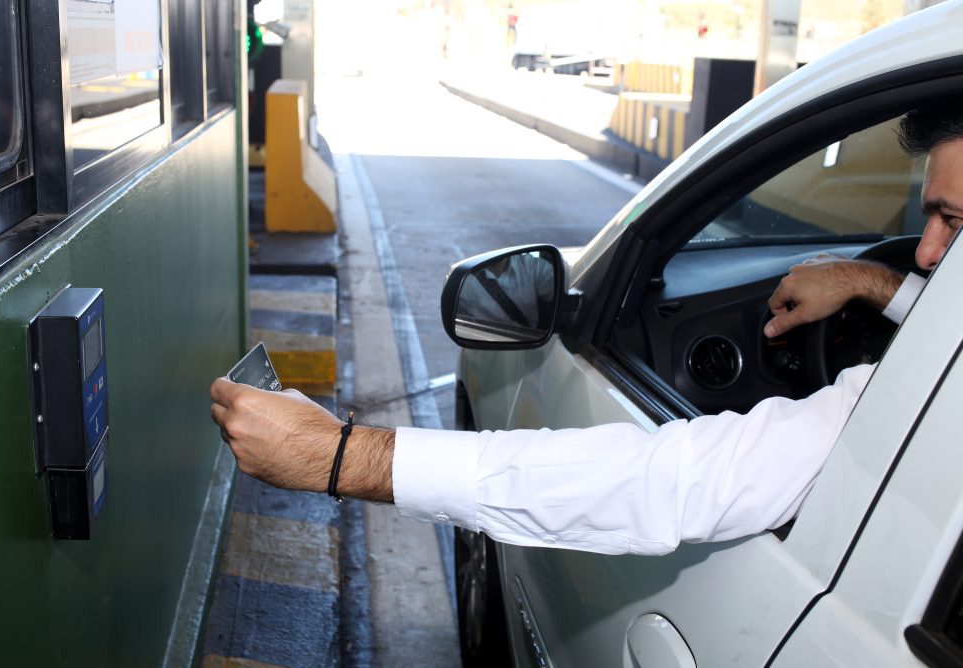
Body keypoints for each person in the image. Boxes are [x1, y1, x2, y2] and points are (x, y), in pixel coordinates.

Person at [210, 106, 963, 556]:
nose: (928, 254)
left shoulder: (923, 400)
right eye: (926, 220)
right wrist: (880, 283)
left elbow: (673, 483)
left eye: (954, 224)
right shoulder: (928, 310)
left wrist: (337, 456)